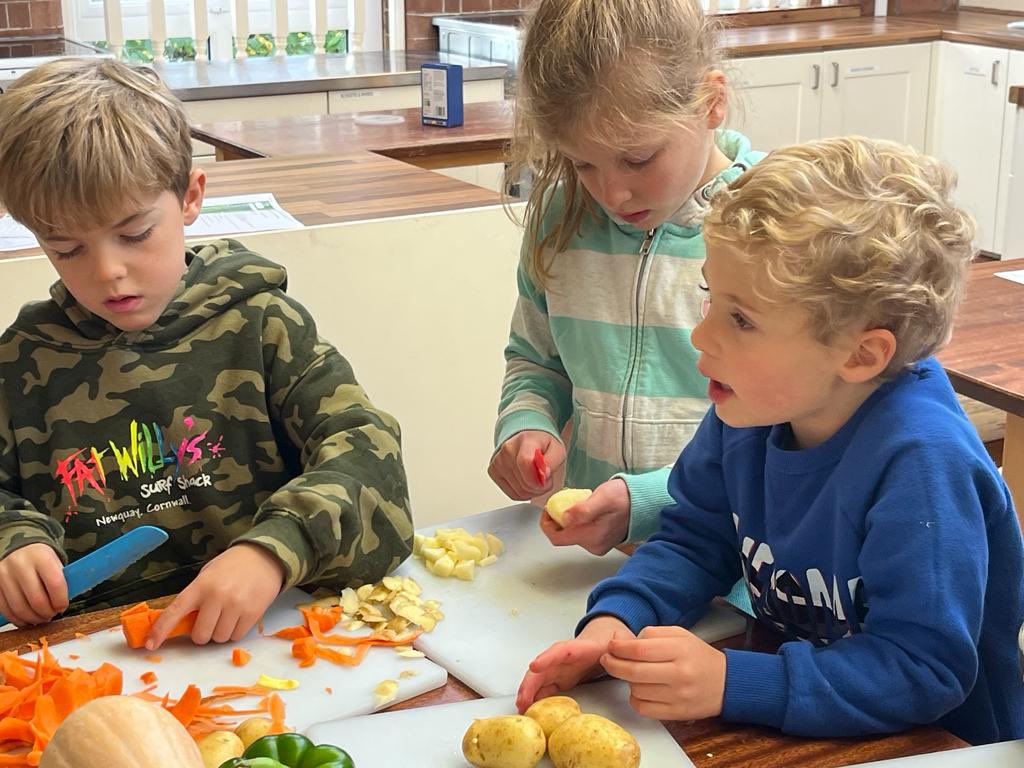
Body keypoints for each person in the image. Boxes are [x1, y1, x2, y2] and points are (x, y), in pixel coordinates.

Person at [516, 136, 1024, 745]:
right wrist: (616, 622)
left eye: (741, 319)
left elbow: (924, 669)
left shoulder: (923, 464)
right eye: (711, 297)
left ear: (861, 354)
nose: (700, 336)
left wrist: (734, 682)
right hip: (806, 722)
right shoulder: (750, 410)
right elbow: (696, 538)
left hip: (934, 744)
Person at [0, 59, 414, 650]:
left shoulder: (263, 326)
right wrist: (11, 541)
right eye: (67, 248)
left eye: (135, 234)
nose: (108, 272)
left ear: (191, 196)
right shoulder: (20, 365)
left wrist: (275, 549)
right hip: (92, 662)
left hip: (272, 641)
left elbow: (369, 457)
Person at [487, 0, 763, 562]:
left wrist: (646, 500)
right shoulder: (559, 218)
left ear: (711, 102)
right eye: (582, 164)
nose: (611, 194)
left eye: (637, 159)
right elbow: (536, 360)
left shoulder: (769, 225)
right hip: (602, 562)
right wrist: (527, 423)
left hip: (735, 570)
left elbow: (781, 428)